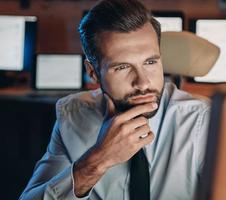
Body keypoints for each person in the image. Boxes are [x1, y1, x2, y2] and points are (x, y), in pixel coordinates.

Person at [20, 0, 210, 199]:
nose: (143, 83)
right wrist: (98, 160)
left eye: (151, 62)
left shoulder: (201, 121)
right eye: (122, 67)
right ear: (93, 73)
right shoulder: (73, 115)